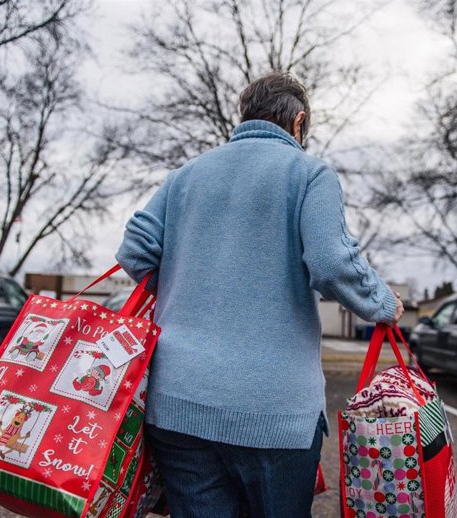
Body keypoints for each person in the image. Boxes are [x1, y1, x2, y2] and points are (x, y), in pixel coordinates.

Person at [115, 72, 403, 517]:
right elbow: (330, 264)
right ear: (298, 122)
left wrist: (184, 285)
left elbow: (134, 251)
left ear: (244, 116)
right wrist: (382, 303)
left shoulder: (186, 175)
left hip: (177, 403)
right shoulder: (310, 174)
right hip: (274, 413)